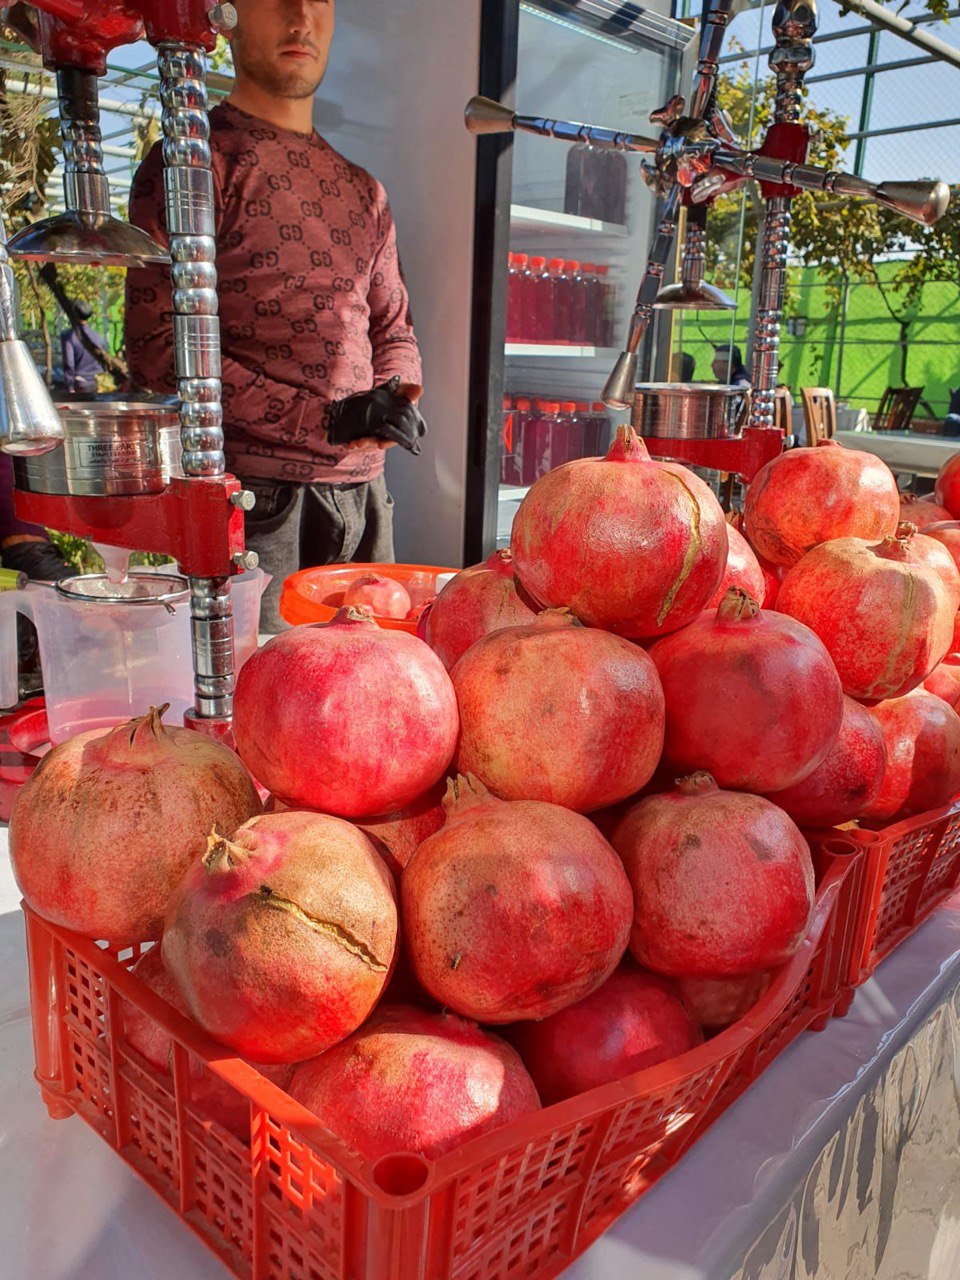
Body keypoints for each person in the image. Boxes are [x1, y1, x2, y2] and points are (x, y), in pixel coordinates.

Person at [125, 0, 426, 632]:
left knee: (379, 692)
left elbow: (392, 324)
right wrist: (328, 419)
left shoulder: (363, 189)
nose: (299, 18)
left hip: (368, 502)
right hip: (256, 503)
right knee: (263, 700)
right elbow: (160, 352)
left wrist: (396, 391)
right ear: (228, 17)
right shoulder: (192, 163)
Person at [60, 301, 106, 394]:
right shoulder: (97, 336)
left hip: (80, 384)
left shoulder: (69, 336)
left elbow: (69, 363)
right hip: (97, 383)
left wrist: (70, 386)